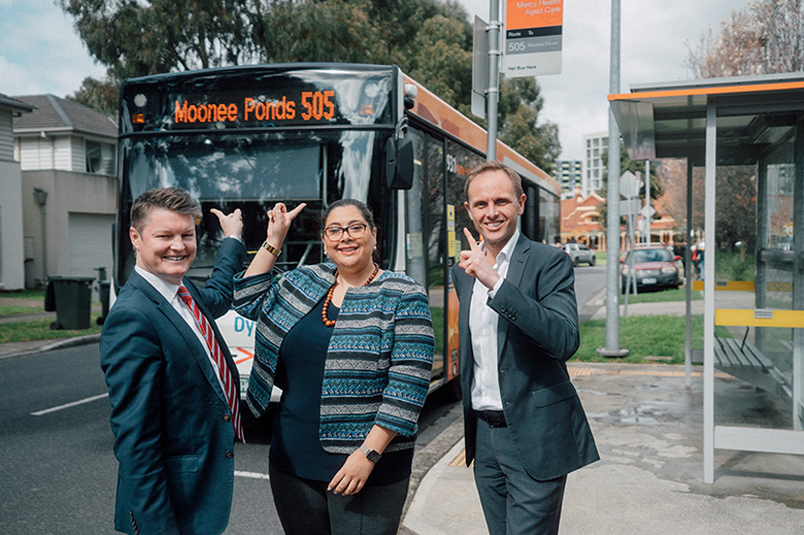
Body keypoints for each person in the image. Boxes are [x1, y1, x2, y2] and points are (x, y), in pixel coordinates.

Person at [232, 198, 434, 535]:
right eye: (335, 230)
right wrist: (274, 239)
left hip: (366, 468)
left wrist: (367, 455)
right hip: (291, 461)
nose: (345, 237)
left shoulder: (403, 294)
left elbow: (408, 386)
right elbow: (247, 300)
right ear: (324, 241)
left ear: (373, 235)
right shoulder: (305, 280)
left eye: (356, 228)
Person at [451, 161, 599, 535]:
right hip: (484, 438)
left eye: (501, 201)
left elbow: (564, 340)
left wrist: (496, 283)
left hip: (536, 435)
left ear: (520, 203)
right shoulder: (462, 271)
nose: (491, 212)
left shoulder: (549, 262)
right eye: (481, 204)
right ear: (469, 210)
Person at [100, 187, 246, 535]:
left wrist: (232, 240)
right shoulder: (133, 317)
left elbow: (220, 294)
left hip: (198, 500)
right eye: (164, 236)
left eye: (187, 235)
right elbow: (136, 443)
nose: (178, 246)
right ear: (135, 237)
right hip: (171, 512)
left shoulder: (184, 291)